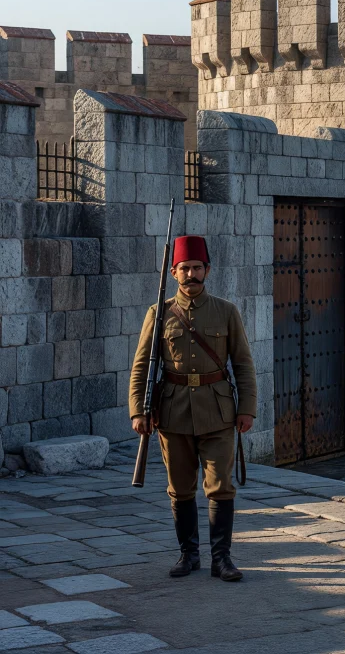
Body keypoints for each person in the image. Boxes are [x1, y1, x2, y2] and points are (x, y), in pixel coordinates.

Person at [129, 235, 257, 582]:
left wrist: (246, 408)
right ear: (173, 273)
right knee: (180, 487)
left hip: (218, 411)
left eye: (197, 268)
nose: (191, 274)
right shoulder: (159, 313)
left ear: (207, 270)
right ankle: (188, 555)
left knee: (220, 486)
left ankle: (222, 559)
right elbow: (142, 366)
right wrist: (138, 410)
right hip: (173, 413)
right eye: (184, 268)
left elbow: (243, 364)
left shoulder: (226, 311)